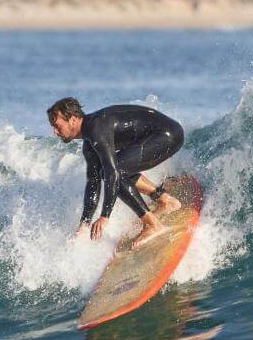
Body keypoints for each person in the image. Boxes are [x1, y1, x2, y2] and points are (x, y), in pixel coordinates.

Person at [47, 97, 184, 250]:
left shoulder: (97, 129)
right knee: (110, 170)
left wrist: (105, 216)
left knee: (114, 171)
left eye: (57, 125)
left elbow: (112, 174)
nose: (55, 131)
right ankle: (165, 200)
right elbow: (93, 181)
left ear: (72, 120)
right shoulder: (89, 142)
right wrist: (84, 224)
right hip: (162, 135)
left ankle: (153, 224)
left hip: (167, 135)